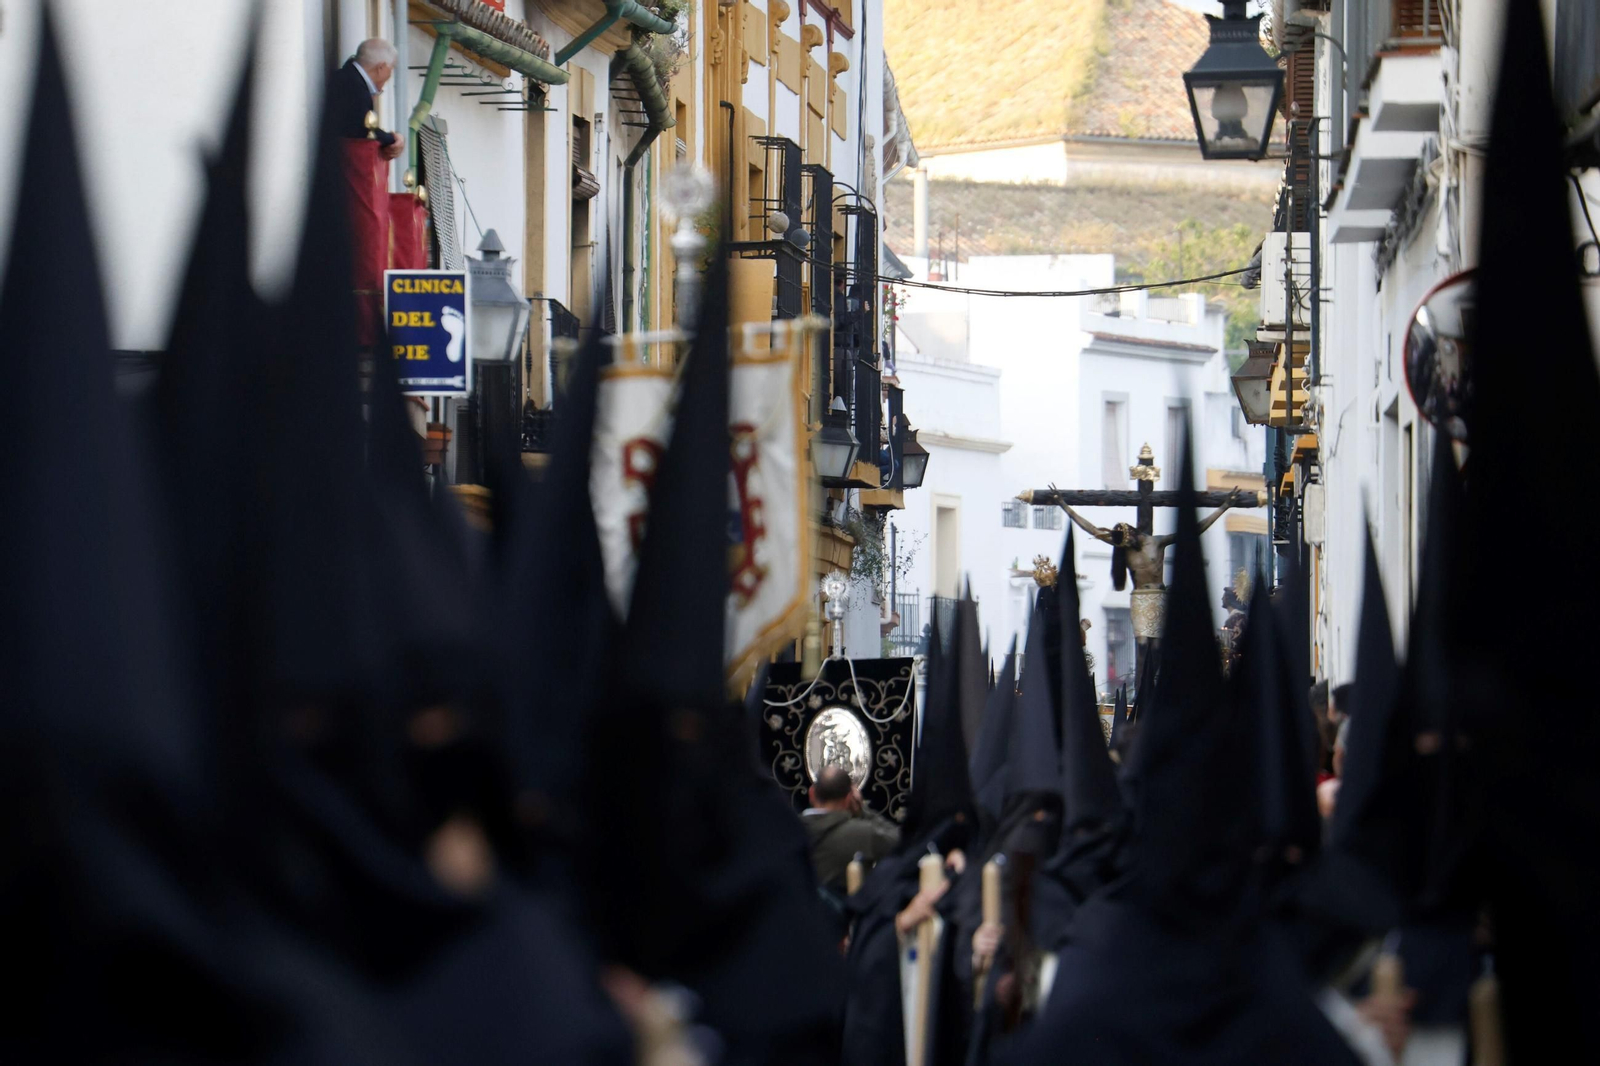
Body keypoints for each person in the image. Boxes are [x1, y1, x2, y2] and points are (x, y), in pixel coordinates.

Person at [801, 767, 900, 894]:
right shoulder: (862, 833)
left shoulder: (789, 829)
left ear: (812, 793)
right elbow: (901, 842)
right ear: (849, 799)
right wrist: (862, 811)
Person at [335, 38, 406, 161]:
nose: (390, 75)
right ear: (381, 67)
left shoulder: (348, 76)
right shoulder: (355, 86)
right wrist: (394, 140)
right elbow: (365, 130)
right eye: (391, 68)